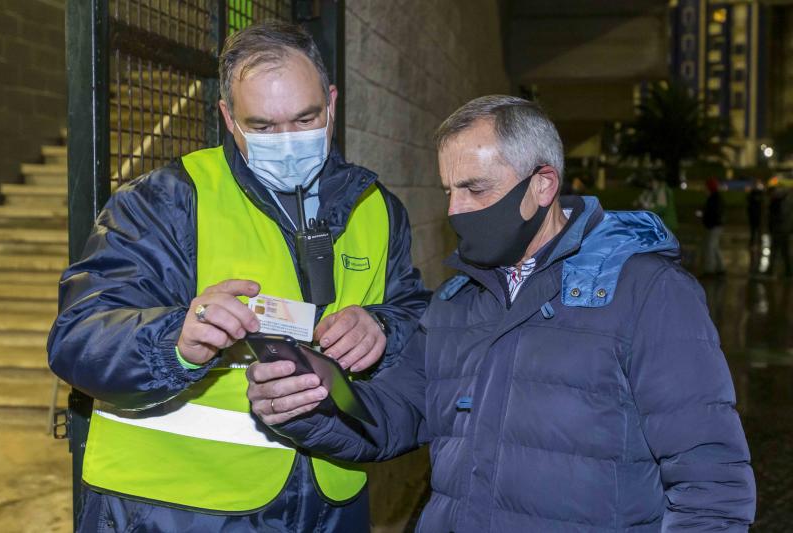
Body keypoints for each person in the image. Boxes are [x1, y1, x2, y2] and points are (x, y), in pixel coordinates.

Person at [248, 96, 756, 531]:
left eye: (476, 189)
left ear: (543, 185)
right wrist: (312, 401)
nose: (455, 210)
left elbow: (711, 483)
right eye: (450, 190)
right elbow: (389, 419)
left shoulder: (648, 293)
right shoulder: (456, 303)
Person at [47, 21, 430, 532]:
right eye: (264, 126)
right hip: (173, 512)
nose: (289, 141)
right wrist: (174, 342)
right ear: (228, 117)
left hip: (330, 505)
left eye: (305, 118)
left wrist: (382, 328)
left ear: (332, 103)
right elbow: (78, 336)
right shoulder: (164, 203)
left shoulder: (377, 209)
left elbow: (416, 317)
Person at [768, 182, 793, 278]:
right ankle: (788, 271)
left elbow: (781, 215)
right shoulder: (786, 199)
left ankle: (771, 271)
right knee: (784, 251)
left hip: (780, 229)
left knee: (776, 250)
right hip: (784, 228)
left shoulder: (780, 201)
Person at [702, 177, 726, 276]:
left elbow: (713, 213)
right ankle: (721, 268)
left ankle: (710, 270)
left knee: (710, 248)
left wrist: (707, 221)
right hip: (716, 225)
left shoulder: (713, 198)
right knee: (714, 247)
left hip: (714, 225)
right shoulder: (716, 197)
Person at [746, 177, 765, 272]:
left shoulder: (760, 193)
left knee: (758, 231)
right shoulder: (753, 193)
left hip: (758, 216)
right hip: (754, 216)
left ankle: (758, 243)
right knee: (754, 231)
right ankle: (753, 244)